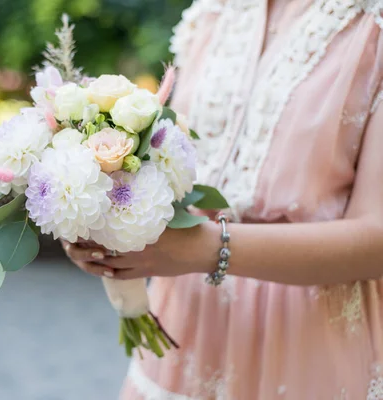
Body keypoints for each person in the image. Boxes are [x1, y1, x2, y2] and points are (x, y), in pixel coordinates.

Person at [62, 0, 383, 398]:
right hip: (183, 335)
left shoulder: (374, 25)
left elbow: (378, 238)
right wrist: (97, 217)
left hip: (311, 347)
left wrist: (206, 248)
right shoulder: (213, 12)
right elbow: (172, 166)